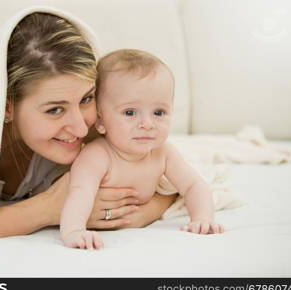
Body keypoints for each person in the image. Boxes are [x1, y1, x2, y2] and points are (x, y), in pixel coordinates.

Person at [0, 14, 177, 241]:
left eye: (86, 98)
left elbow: (170, 183)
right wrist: (47, 208)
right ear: (6, 106)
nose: (80, 129)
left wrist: (138, 214)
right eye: (55, 110)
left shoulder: (100, 128)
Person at [60, 49, 224, 250]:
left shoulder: (163, 152)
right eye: (130, 112)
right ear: (101, 121)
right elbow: (80, 192)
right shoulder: (97, 156)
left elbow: (193, 185)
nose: (147, 124)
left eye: (159, 112)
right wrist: (74, 230)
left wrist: (202, 218)